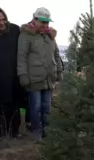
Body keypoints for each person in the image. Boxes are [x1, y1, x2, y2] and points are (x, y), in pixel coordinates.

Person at [17, 7, 63, 141]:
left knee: (47, 107)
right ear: (34, 19)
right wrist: (23, 75)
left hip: (49, 78)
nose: (45, 25)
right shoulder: (26, 35)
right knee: (35, 107)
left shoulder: (50, 36)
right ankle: (36, 133)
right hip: (34, 79)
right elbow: (22, 57)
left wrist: (59, 71)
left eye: (47, 22)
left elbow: (56, 54)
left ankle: (46, 132)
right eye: (42, 21)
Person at [0, 6, 25, 141]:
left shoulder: (15, 30)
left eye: (4, 19)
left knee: (14, 106)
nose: (1, 23)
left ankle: (14, 132)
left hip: (14, 76)